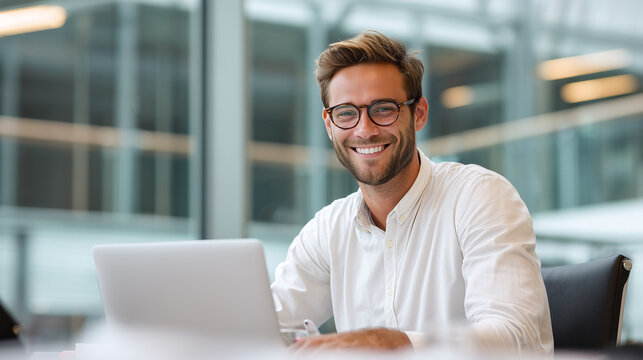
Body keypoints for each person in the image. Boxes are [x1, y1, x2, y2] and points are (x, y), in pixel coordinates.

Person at [270, 30, 553, 353]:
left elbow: (514, 340)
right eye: (346, 113)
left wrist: (390, 344)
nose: (365, 129)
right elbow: (265, 328)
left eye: (384, 109)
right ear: (329, 125)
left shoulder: (480, 197)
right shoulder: (327, 230)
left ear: (418, 113)